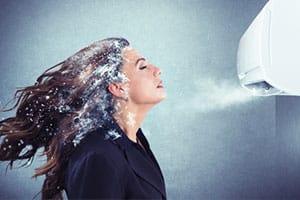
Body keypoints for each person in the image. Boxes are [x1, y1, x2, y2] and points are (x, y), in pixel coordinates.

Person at [0, 37, 167, 199]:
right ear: (118, 88)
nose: (158, 70)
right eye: (143, 67)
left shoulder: (134, 139)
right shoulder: (99, 158)